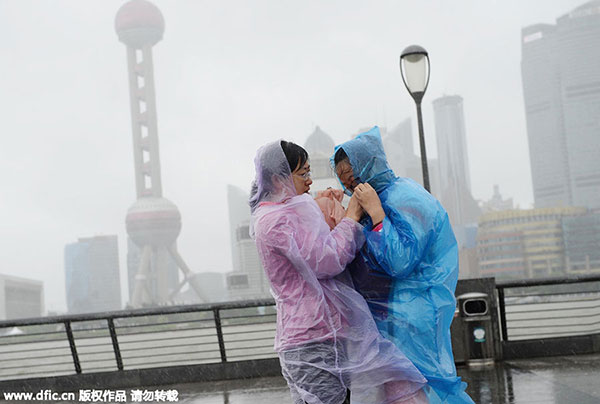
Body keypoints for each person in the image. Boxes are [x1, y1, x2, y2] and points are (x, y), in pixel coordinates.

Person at [250, 140, 428, 404]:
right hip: (310, 340)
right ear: (279, 179)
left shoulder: (281, 212)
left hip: (315, 335)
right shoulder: (278, 220)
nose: (309, 181)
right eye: (303, 174)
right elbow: (327, 260)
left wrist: (325, 208)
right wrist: (352, 217)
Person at [331, 127, 475, 404]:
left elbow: (399, 261)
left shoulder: (406, 198)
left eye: (355, 179)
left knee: (425, 386)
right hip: (391, 316)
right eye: (347, 185)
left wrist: (376, 214)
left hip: (413, 311)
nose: (353, 189)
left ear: (370, 168)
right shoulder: (375, 200)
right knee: (404, 391)